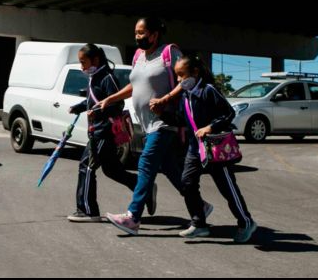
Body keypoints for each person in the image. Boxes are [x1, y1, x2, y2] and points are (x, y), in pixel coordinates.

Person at [100, 17, 207, 236]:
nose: (138, 37)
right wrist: (111, 98)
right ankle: (200, 207)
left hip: (166, 120)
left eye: (142, 32)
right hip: (147, 124)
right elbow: (135, 84)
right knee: (171, 170)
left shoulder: (169, 52)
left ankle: (133, 217)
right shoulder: (138, 56)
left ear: (154, 34)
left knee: (146, 163)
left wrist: (165, 100)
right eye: (136, 33)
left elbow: (184, 80)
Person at [174, 54, 257, 243]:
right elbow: (181, 120)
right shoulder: (185, 95)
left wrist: (210, 127)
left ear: (194, 72)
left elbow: (229, 112)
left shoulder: (208, 90)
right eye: (176, 75)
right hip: (195, 149)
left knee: (227, 188)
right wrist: (161, 114)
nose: (179, 80)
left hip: (216, 147)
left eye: (182, 75)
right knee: (186, 184)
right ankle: (199, 224)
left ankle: (246, 222)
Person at [66, 44, 143, 223]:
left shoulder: (107, 78)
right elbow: (94, 100)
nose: (82, 67)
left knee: (86, 167)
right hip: (97, 131)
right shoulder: (96, 77)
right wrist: (78, 107)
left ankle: (87, 210)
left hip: (104, 132)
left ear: (96, 60)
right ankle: (144, 189)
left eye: (83, 62)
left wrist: (99, 112)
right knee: (112, 170)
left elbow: (117, 104)